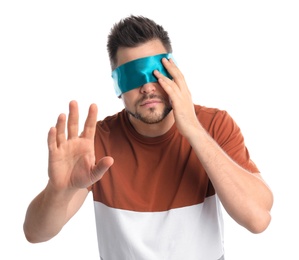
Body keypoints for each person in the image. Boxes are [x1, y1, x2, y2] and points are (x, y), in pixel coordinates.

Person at [23, 15, 273, 260]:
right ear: (117, 86)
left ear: (175, 73)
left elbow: (258, 219)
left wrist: (194, 131)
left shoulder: (214, 125)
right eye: (133, 77)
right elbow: (35, 233)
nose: (147, 86)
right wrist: (58, 190)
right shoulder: (97, 143)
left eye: (155, 72)